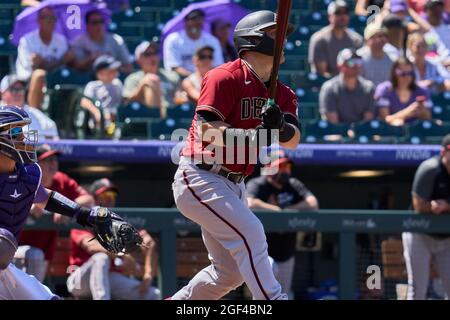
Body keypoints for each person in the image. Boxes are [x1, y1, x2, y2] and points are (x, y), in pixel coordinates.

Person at [172, 10, 301, 300]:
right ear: (253, 39)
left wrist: (280, 126)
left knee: (228, 273)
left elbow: (293, 140)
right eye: (273, 33)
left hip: (235, 184)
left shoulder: (283, 92)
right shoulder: (223, 76)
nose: (281, 40)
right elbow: (207, 130)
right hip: (202, 175)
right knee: (252, 232)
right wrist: (256, 136)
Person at [0, 105, 137, 299]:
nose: (23, 138)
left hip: (5, 266)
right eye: (15, 132)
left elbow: (43, 196)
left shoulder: (27, 174)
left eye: (22, 131)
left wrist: (83, 214)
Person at [66, 178, 160, 300]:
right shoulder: (84, 217)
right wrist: (121, 255)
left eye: (112, 194)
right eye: (104, 195)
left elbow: (149, 243)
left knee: (153, 294)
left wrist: (148, 276)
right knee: (101, 258)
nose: (110, 198)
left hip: (109, 278)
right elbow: (92, 247)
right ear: (94, 198)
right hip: (79, 280)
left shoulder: (117, 221)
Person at [14, 144, 95, 282]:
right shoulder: (23, 177)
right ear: (36, 164)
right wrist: (28, 205)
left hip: (45, 252)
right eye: (47, 160)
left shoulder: (61, 179)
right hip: (15, 249)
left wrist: (66, 207)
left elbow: (89, 199)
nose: (53, 163)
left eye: (55, 159)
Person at [246, 152, 319, 300]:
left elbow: (313, 203)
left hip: (286, 250)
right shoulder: (258, 184)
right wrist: (274, 210)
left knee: (283, 294)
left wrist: (288, 210)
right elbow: (249, 202)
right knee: (264, 294)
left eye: (287, 166)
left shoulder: (293, 184)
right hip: (263, 251)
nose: (285, 170)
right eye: (281, 166)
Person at [403, 134, 450, 300]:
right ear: (444, 152)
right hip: (420, 234)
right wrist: (431, 206)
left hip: (446, 239)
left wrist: (446, 206)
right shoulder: (430, 169)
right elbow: (418, 205)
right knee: (417, 291)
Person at [15, 7, 74, 109]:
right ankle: (34, 117)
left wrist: (68, 58)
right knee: (39, 75)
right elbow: (32, 68)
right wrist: (58, 61)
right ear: (39, 20)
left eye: (53, 19)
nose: (51, 22)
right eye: (48, 18)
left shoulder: (61, 40)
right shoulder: (27, 40)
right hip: (27, 82)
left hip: (55, 80)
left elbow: (64, 65)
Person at [123, 41, 181, 118]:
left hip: (172, 115)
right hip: (145, 118)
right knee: (150, 80)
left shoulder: (172, 76)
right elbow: (127, 102)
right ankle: (156, 121)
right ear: (139, 60)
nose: (152, 57)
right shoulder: (132, 79)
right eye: (147, 54)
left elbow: (179, 97)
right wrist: (142, 85)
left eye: (155, 53)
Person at [308, 0, 363, 78]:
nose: (342, 16)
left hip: (351, 83)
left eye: (345, 12)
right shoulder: (319, 39)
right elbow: (321, 74)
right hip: (327, 86)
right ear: (330, 16)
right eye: (338, 13)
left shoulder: (356, 40)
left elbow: (358, 67)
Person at [319, 48, 375, 124]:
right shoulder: (329, 88)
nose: (356, 65)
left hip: (361, 132)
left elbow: (368, 120)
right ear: (340, 66)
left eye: (358, 62)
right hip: (337, 133)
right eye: (351, 62)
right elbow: (333, 123)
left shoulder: (369, 87)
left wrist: (354, 132)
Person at [163, 9, 224, 77]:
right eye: (193, 18)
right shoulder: (173, 39)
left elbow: (218, 66)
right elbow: (173, 66)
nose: (196, 22)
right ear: (185, 21)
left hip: (207, 78)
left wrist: (203, 79)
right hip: (182, 79)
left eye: (199, 19)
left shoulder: (212, 40)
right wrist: (194, 79)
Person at [374, 57, 432, 126]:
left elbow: (428, 118)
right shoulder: (384, 89)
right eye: (402, 74)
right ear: (394, 73)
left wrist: (422, 110)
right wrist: (407, 112)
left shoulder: (422, 91)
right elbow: (385, 119)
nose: (407, 77)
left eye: (410, 73)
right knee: (397, 123)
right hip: (390, 132)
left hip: (416, 130)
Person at [0, 74, 59, 140]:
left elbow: (54, 139)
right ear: (2, 93)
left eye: (21, 89)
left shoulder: (36, 115)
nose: (18, 93)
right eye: (13, 89)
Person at [80, 55, 123, 137]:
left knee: (115, 129)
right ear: (100, 73)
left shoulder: (118, 84)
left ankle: (113, 135)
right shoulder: (93, 85)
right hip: (97, 124)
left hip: (115, 121)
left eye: (115, 69)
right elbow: (84, 101)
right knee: (105, 130)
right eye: (110, 70)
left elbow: (122, 102)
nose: (114, 72)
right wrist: (98, 113)